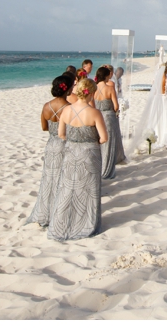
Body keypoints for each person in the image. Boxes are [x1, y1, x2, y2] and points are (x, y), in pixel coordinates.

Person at [49, 79, 108, 241]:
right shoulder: (94, 113)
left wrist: (75, 140)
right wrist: (90, 141)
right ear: (91, 93)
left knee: (68, 189)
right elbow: (104, 138)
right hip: (89, 154)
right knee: (88, 189)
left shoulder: (66, 110)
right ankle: (86, 222)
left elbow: (61, 134)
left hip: (70, 153)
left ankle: (63, 222)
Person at [26, 75, 72, 227]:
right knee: (63, 179)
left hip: (51, 144)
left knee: (49, 179)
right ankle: (60, 212)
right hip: (65, 145)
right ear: (67, 89)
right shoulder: (69, 108)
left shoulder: (46, 106)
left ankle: (47, 210)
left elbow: (44, 127)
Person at [93, 66, 124, 180]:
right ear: (107, 76)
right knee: (109, 143)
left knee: (99, 143)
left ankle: (99, 168)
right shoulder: (110, 88)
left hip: (97, 117)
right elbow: (116, 106)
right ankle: (107, 170)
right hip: (108, 117)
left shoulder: (93, 88)